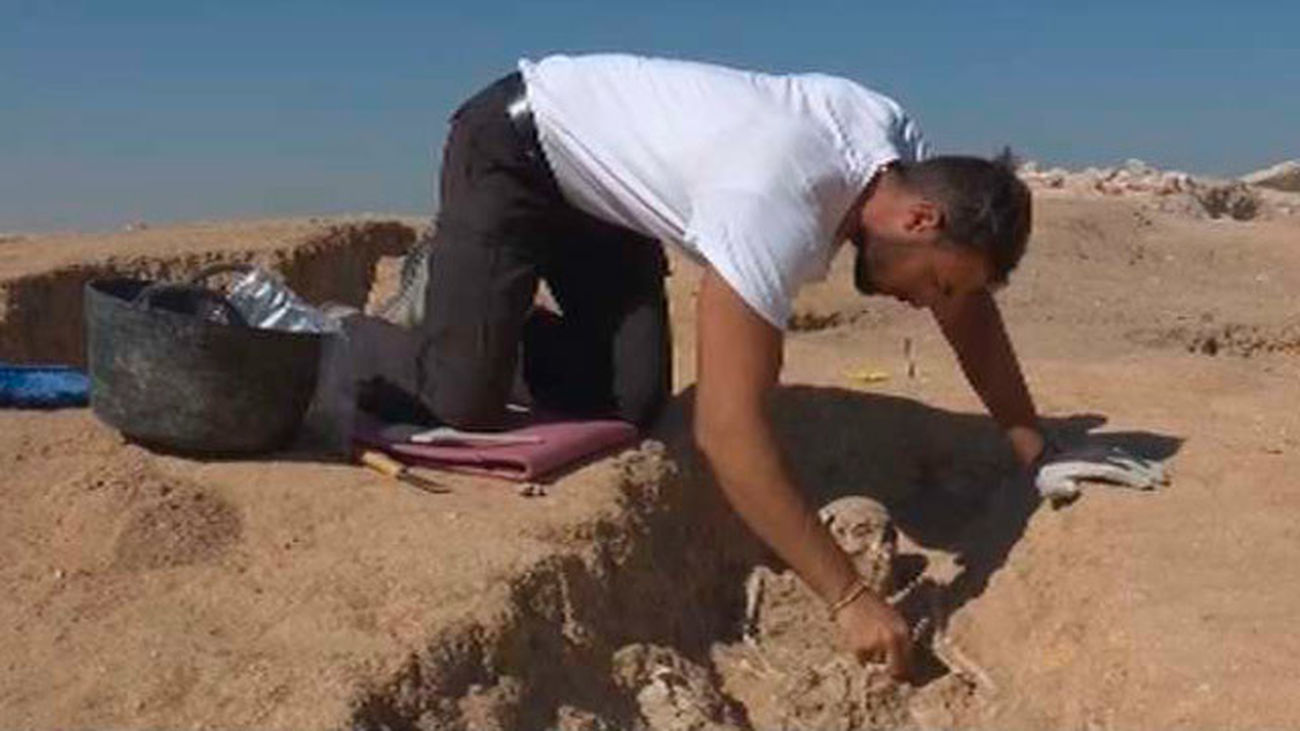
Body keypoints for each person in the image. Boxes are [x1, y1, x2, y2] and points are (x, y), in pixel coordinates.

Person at [367, 53, 1164, 680]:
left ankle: (485, 314)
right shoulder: (771, 202)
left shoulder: (894, 150)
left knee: (628, 400)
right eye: (938, 282)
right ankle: (439, 294)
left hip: (601, 202)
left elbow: (969, 313)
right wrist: (849, 595)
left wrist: (1037, 450)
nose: (930, 304)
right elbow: (727, 429)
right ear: (921, 219)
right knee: (461, 398)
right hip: (515, 145)